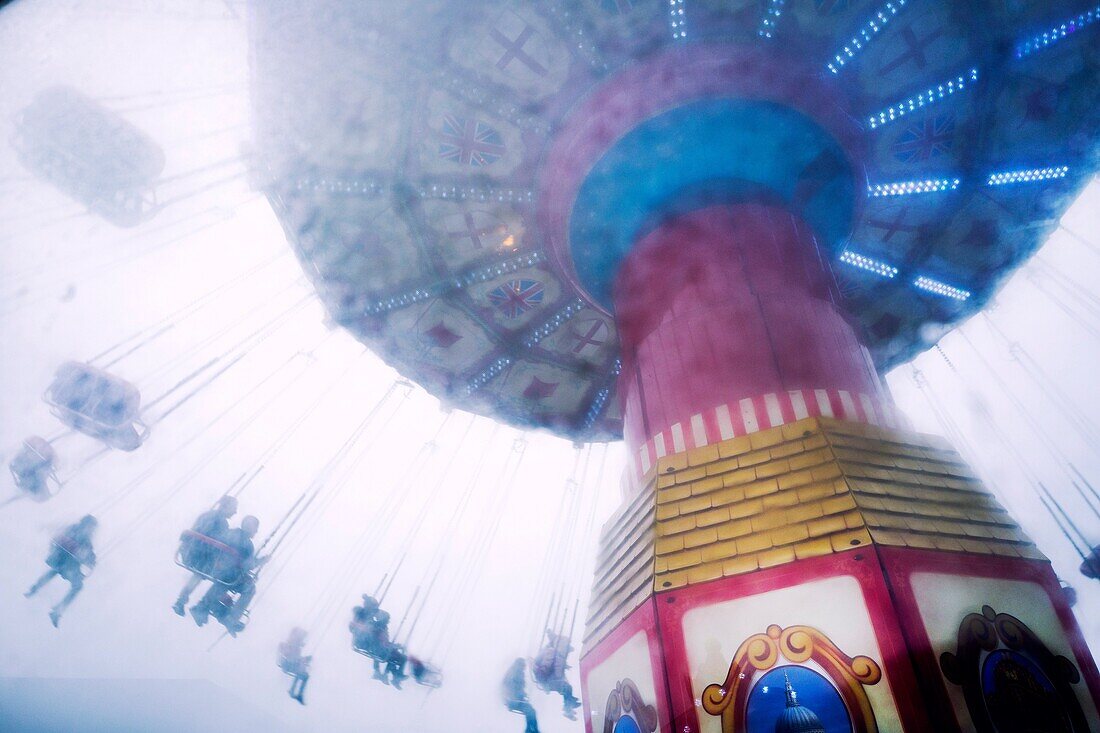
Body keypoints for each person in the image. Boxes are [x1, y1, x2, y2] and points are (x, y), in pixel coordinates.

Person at [190, 515, 264, 634]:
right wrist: (261, 561)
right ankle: (231, 618)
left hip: (215, 568)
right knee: (249, 588)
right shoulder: (247, 543)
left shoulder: (228, 533)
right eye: (255, 528)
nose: (256, 531)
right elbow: (248, 565)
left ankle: (204, 606)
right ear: (250, 527)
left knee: (224, 582)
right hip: (229, 574)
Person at [25, 515, 97, 627]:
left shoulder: (86, 539)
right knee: (59, 573)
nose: (91, 530)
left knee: (74, 583)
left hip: (68, 565)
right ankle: (37, 590)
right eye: (91, 527)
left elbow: (90, 556)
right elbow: (59, 538)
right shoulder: (75, 529)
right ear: (86, 524)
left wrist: (91, 562)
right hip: (63, 560)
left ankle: (56, 611)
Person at [173, 496, 238, 616]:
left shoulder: (206, 515)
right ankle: (214, 605)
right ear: (226, 506)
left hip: (189, 552)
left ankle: (182, 600)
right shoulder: (221, 522)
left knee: (198, 576)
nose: (235, 512)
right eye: (234, 508)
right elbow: (218, 541)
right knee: (227, 574)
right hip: (201, 556)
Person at [532, 629, 581, 719]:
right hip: (547, 680)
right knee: (566, 687)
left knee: (566, 688)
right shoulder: (553, 653)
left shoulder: (553, 649)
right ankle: (568, 707)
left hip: (548, 679)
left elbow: (555, 639)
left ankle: (569, 705)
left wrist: (549, 633)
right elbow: (553, 665)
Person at [9, 436, 57, 501]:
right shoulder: (22, 455)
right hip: (31, 474)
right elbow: (14, 466)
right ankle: (43, 495)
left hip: (34, 472)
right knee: (36, 478)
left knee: (37, 477)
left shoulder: (28, 454)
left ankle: (43, 495)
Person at [502, 658, 539, 733]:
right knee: (530, 711)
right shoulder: (516, 674)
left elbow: (517, 688)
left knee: (530, 710)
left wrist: (523, 695)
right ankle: (531, 729)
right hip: (513, 700)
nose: (524, 668)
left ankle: (531, 729)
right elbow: (514, 688)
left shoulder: (514, 672)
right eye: (523, 666)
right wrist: (519, 696)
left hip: (514, 699)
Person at [278, 627, 312, 704]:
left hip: (290, 664)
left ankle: (296, 692)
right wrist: (302, 660)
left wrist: (305, 659)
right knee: (303, 674)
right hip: (287, 665)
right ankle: (294, 691)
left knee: (304, 674)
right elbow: (290, 656)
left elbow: (296, 658)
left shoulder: (296, 647)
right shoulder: (291, 645)